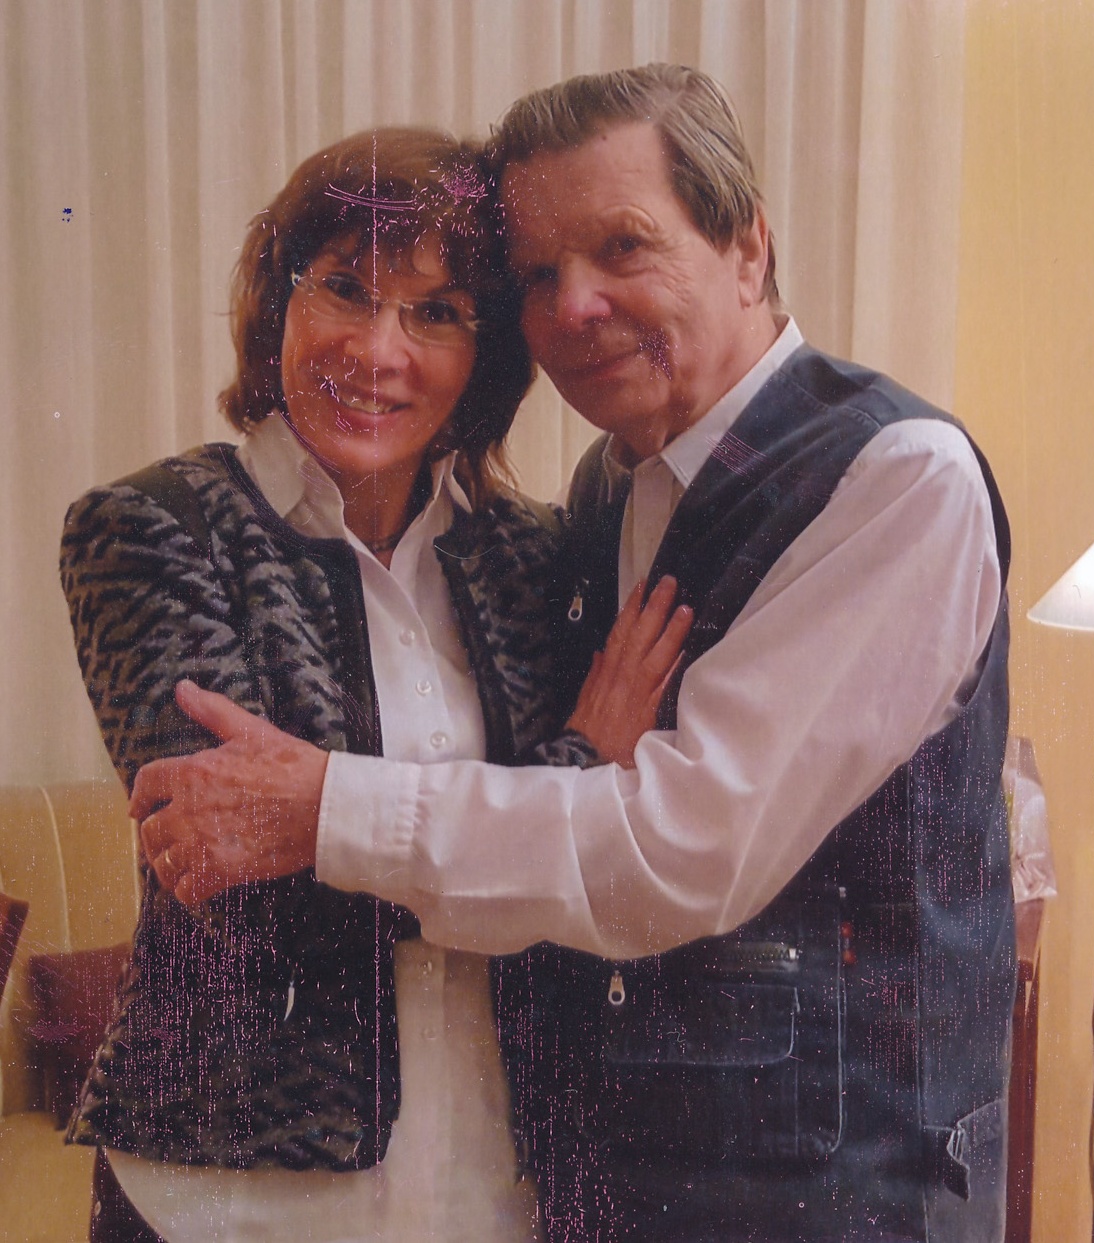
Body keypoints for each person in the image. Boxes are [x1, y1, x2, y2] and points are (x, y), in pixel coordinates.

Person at [132, 65, 1015, 1243]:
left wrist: (325, 808)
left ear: (747, 247)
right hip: (609, 1181)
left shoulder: (896, 477)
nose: (576, 307)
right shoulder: (604, 488)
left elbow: (683, 846)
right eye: (539, 275)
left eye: (622, 247)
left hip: (844, 1190)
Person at [59, 125, 689, 1243]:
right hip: (223, 1201)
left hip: (488, 1189)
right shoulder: (154, 530)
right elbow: (231, 874)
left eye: (435, 313)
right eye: (344, 289)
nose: (376, 349)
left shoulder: (533, 556)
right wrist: (576, 768)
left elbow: (602, 870)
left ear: (487, 355)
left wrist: (325, 815)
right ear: (278, 301)